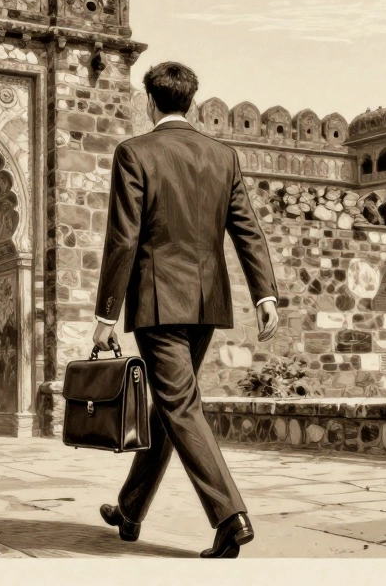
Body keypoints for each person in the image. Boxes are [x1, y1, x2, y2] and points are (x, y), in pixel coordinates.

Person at [92, 61, 280, 559]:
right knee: (171, 407)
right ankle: (130, 509)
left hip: (158, 302)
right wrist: (266, 295)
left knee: (178, 407)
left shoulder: (135, 152)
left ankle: (229, 517)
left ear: (149, 101)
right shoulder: (222, 155)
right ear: (190, 101)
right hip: (206, 302)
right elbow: (247, 228)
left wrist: (106, 315)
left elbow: (123, 239)